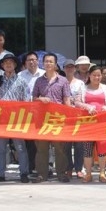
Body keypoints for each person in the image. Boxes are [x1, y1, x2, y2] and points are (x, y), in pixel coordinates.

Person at [0, 54, 31, 183]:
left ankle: (24, 173)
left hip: (17, 119)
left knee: (20, 148)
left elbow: (27, 101)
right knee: (0, 149)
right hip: (1, 120)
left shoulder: (22, 81)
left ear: (15, 65)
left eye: (11, 62)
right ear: (2, 66)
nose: (8, 64)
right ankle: (0, 174)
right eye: (6, 62)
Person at [32, 52, 72, 183]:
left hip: (58, 119)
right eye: (46, 61)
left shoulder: (63, 81)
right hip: (42, 120)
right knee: (42, 148)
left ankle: (61, 173)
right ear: (43, 64)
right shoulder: (38, 81)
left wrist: (69, 117)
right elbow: (33, 99)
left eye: (51, 61)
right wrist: (40, 99)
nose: (48, 64)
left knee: (60, 148)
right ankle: (42, 174)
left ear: (55, 64)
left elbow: (66, 100)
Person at [76, 65, 106, 183]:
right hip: (88, 124)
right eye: (94, 75)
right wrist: (87, 107)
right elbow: (77, 102)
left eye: (99, 75)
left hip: (102, 123)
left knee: (102, 149)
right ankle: (88, 173)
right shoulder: (83, 88)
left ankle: (102, 173)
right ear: (89, 76)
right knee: (87, 149)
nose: (96, 77)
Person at [18, 51, 44, 174]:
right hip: (26, 112)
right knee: (28, 141)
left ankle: (44, 166)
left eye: (34, 59)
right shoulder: (20, 75)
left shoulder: (44, 74)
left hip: (41, 112)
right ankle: (30, 166)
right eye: (29, 60)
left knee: (41, 141)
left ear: (38, 61)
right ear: (25, 63)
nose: (32, 62)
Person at [63, 59, 86, 179]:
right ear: (64, 69)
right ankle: (68, 168)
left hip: (78, 116)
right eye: (67, 67)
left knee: (79, 144)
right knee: (66, 144)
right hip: (64, 117)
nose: (69, 69)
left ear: (75, 68)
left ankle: (78, 168)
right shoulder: (60, 81)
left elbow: (82, 99)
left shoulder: (80, 83)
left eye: (71, 67)